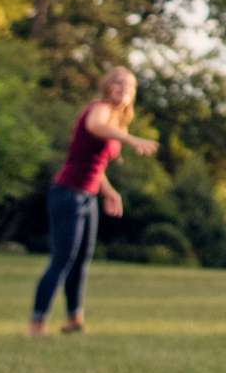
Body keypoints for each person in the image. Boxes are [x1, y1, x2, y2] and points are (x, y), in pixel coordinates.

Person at [29, 66, 158, 337]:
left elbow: (95, 166)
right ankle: (37, 323)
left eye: (130, 86)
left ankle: (74, 319)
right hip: (67, 193)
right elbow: (94, 126)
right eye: (119, 83)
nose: (124, 89)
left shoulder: (116, 121)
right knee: (62, 259)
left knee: (81, 260)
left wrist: (108, 191)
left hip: (87, 196)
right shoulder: (100, 110)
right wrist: (130, 139)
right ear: (108, 86)